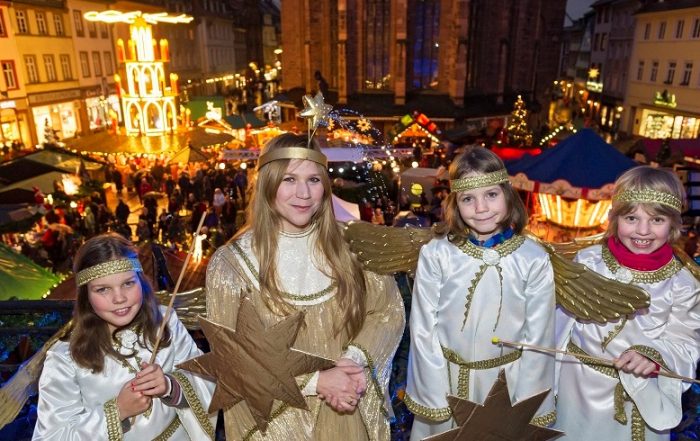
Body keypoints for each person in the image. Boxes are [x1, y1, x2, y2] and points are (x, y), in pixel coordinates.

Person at [206, 133, 405, 440]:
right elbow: (234, 358)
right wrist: (318, 382)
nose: (303, 193)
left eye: (313, 179)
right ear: (268, 183)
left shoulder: (355, 247)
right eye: (289, 179)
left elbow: (386, 312)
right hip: (279, 425)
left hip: (345, 412)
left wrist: (353, 361)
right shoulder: (232, 264)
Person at [406, 146, 556, 439]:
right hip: (446, 380)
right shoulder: (437, 254)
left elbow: (538, 338)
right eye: (468, 199)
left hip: (505, 387)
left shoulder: (533, 259)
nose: (482, 208)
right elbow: (423, 328)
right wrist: (435, 395)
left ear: (508, 195)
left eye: (491, 195)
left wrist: (525, 406)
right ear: (455, 203)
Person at [554, 166, 700, 441]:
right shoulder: (587, 262)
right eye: (631, 218)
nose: (643, 231)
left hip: (645, 398)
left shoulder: (683, 282)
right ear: (614, 218)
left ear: (673, 224)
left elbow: (686, 342)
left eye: (657, 220)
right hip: (578, 392)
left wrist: (654, 356)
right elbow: (557, 321)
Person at [33, 233, 217, 440]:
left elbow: (204, 378)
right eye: (102, 289)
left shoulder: (165, 322)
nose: (119, 298)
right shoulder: (64, 358)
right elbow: (52, 436)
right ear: (86, 295)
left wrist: (170, 387)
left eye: (128, 283)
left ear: (141, 281)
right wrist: (117, 412)